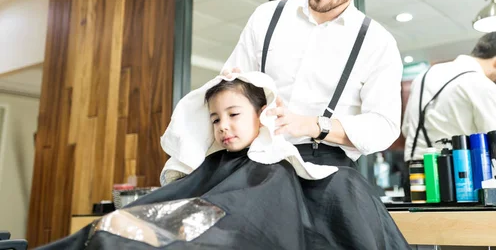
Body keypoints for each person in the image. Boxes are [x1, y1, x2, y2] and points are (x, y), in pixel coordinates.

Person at [40, 72, 409, 249]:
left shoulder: (278, 171)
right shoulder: (215, 169)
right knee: (107, 231)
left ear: (262, 114)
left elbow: (242, 226)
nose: (223, 126)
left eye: (234, 114)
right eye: (216, 119)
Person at [222, 0, 403, 168]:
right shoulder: (266, 17)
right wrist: (228, 88)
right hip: (254, 162)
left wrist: (313, 124)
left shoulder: (377, 43)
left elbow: (385, 126)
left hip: (328, 173)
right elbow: (230, 92)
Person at [402, 32, 496, 163]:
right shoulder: (482, 84)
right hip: (459, 172)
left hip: (415, 170)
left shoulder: (423, 77)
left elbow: (406, 129)